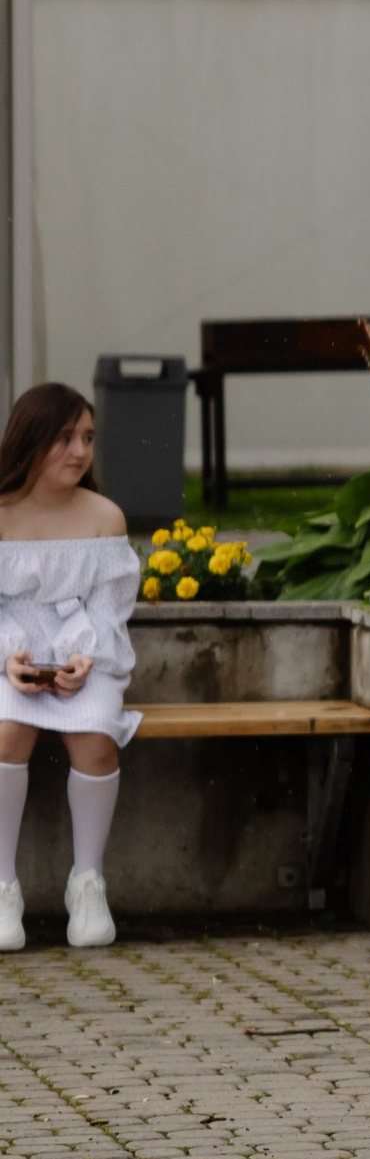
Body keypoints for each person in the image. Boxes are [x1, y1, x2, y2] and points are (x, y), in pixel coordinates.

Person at [0, 385, 142, 953]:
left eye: (86, 437)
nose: (80, 451)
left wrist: (86, 656)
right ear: (30, 440)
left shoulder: (105, 517)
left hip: (88, 656)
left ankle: (87, 883)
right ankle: (2, 886)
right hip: (10, 659)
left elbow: (110, 607)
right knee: (7, 734)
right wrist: (9, 656)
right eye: (64, 438)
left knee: (96, 741)